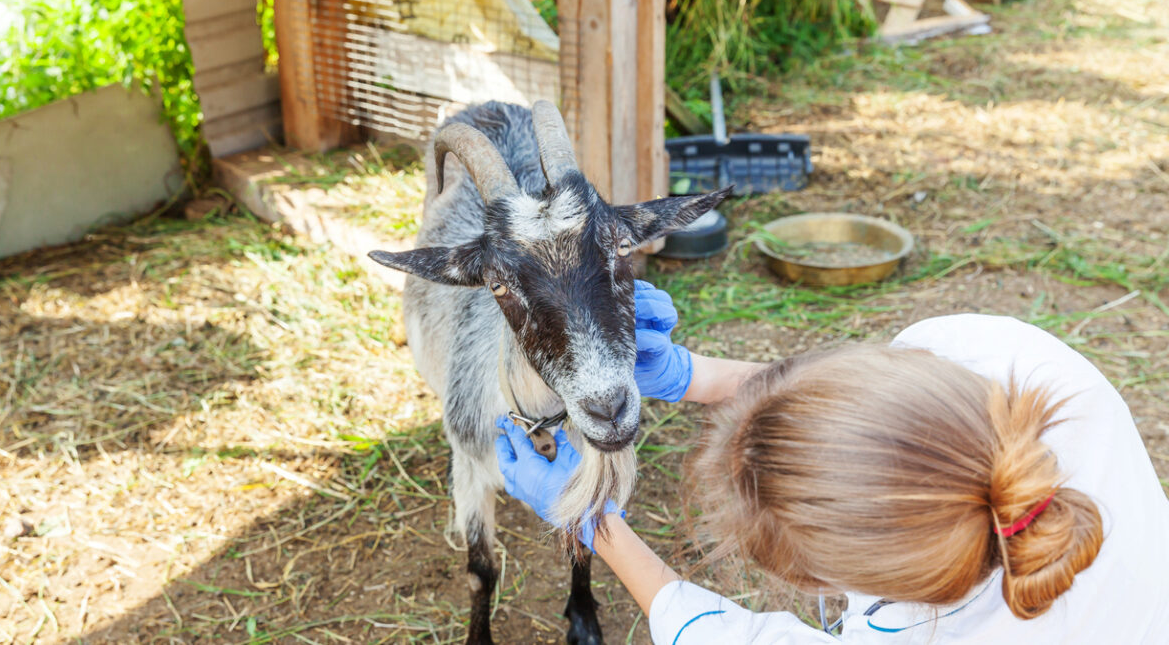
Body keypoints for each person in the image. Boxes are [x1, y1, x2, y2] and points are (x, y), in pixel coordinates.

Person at [493, 280, 1169, 643]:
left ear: (832, 581)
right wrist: (697, 376)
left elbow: (727, 636)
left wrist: (593, 520)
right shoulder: (1016, 360)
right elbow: (881, 410)